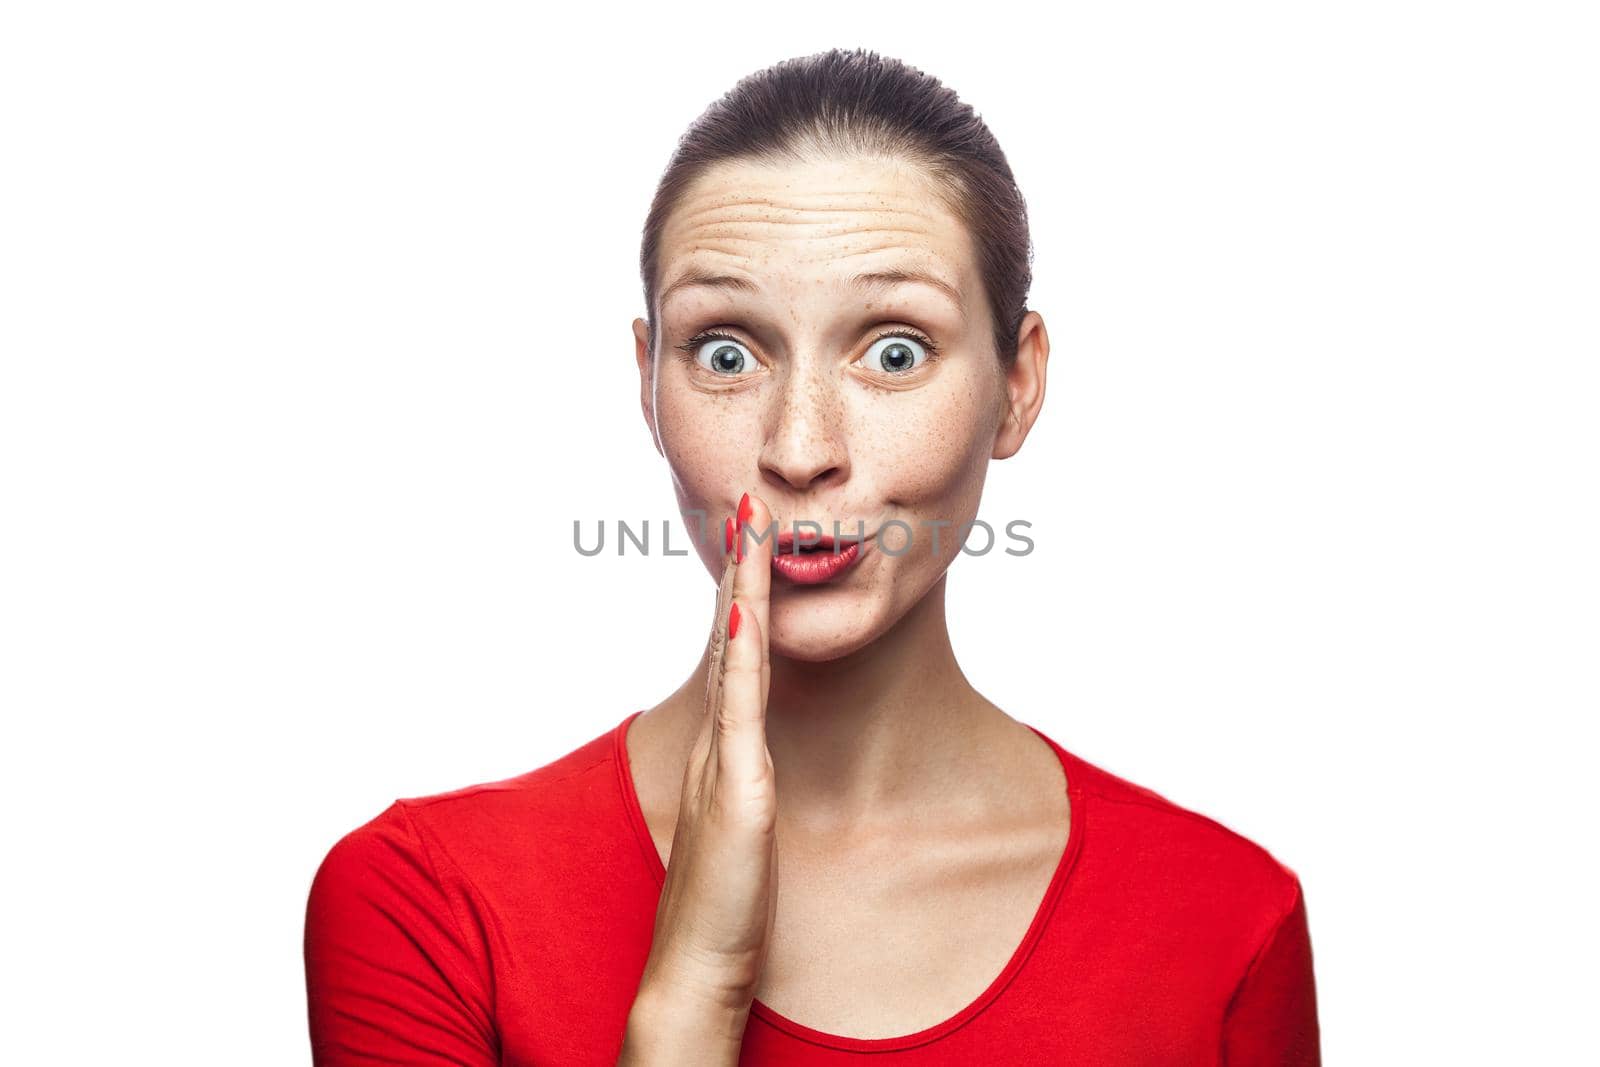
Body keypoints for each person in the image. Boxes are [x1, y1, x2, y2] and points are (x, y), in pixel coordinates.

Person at [303, 47, 1321, 1065]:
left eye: (892, 351)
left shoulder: (1225, 921)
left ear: (1017, 383)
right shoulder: (425, 901)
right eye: (726, 352)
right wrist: (695, 988)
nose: (799, 449)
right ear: (647, 384)